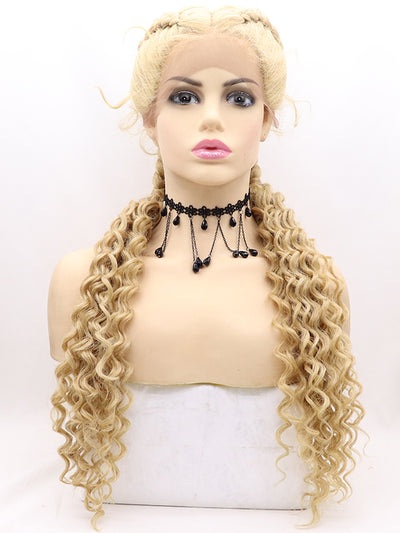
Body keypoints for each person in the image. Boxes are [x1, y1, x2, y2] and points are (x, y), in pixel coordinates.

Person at [48, 6, 366, 531]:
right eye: (184, 97)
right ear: (150, 118)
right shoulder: (80, 285)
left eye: (239, 98)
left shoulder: (320, 290)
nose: (213, 119)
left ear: (266, 120)